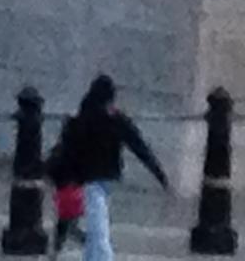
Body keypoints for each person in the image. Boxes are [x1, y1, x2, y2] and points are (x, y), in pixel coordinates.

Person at [57, 75, 169, 261]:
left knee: (96, 226)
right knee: (98, 227)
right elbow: (139, 147)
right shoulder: (116, 119)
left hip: (86, 178)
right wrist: (159, 174)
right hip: (105, 177)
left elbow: (68, 150)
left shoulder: (83, 118)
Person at [46, 122, 86, 259]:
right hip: (76, 190)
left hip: (64, 191)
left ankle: (56, 250)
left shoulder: (60, 151)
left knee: (63, 223)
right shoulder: (80, 151)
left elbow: (50, 168)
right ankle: (88, 241)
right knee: (70, 223)